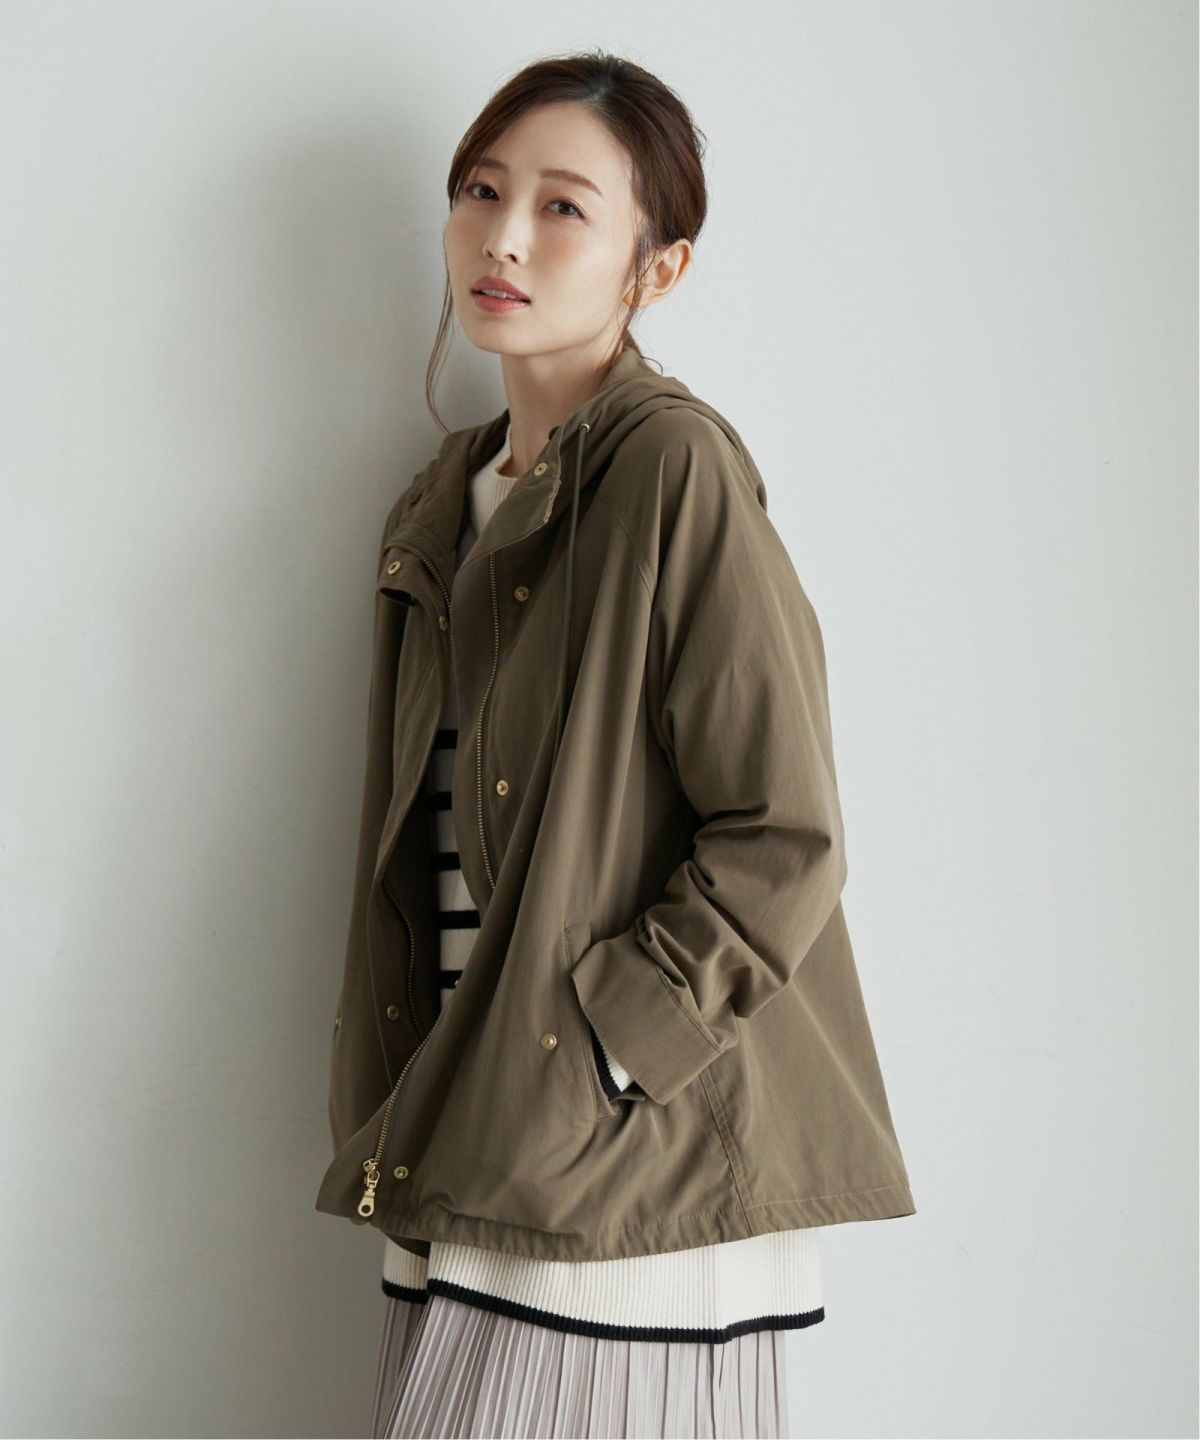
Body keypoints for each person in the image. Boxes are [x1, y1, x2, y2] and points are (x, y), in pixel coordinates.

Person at [315, 49, 917, 1440]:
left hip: (624, 1145)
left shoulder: (671, 469)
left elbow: (784, 831)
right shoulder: (439, 502)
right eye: (481, 191)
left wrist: (605, 1052)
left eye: (564, 207)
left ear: (661, 267)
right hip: (468, 1111)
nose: (503, 238)